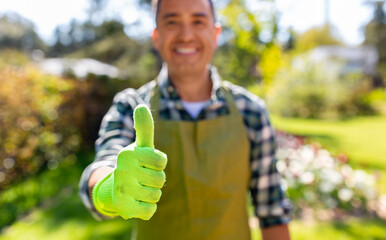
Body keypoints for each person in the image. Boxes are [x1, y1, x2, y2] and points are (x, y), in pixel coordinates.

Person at [79, 0, 292, 239]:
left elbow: (272, 211)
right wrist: (110, 189)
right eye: (172, 22)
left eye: (198, 21)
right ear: (156, 36)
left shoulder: (251, 111)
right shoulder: (131, 106)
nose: (186, 35)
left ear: (215, 33)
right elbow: (102, 166)